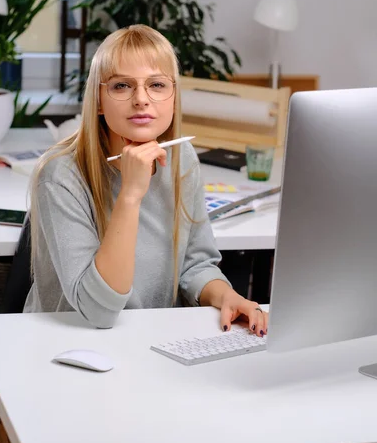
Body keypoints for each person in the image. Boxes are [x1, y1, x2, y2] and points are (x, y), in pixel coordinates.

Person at [24, 25, 268, 335]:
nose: (141, 99)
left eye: (156, 84)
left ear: (174, 98)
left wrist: (227, 296)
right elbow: (97, 311)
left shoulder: (182, 158)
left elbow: (195, 265)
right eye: (122, 86)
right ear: (98, 100)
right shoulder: (60, 176)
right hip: (70, 342)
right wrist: (130, 194)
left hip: (148, 338)